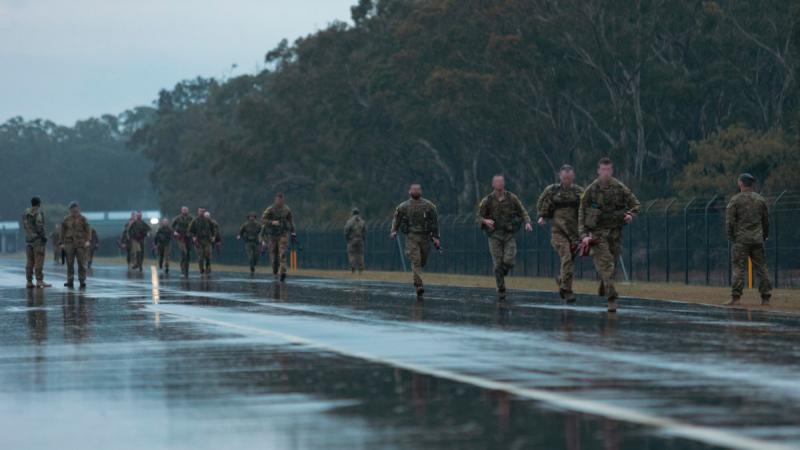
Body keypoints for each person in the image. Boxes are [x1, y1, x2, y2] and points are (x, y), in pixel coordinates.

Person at [578, 157, 641, 313]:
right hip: (598, 234)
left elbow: (635, 204)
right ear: (598, 171)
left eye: (608, 170)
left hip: (615, 233)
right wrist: (583, 235)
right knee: (607, 264)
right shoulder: (591, 190)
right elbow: (581, 213)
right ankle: (612, 299)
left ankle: (604, 283)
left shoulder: (619, 187)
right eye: (603, 170)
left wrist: (630, 214)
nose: (606, 173)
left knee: (612, 267)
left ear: (612, 171)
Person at [477, 175, 533, 299]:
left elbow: (522, 211)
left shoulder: (512, 198)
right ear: (493, 184)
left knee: (509, 260)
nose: (499, 184)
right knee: (497, 264)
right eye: (497, 182)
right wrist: (485, 221)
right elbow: (478, 216)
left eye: (501, 181)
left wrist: (528, 222)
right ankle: (501, 288)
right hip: (494, 235)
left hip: (509, 234)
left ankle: (502, 272)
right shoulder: (487, 200)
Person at [537, 165, 584, 302]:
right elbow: (541, 203)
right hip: (558, 231)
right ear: (560, 177)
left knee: (569, 262)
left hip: (574, 233)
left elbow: (587, 208)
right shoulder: (552, 190)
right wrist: (543, 216)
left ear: (573, 177)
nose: (567, 180)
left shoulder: (579, 192)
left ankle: (562, 280)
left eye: (569, 178)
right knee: (566, 256)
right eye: (564, 178)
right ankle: (566, 290)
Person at [723, 173, 772, 306]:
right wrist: (764, 235)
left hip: (741, 240)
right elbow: (766, 221)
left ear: (740, 183)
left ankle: (736, 298)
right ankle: (766, 298)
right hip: (757, 239)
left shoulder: (735, 200)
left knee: (738, 268)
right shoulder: (760, 200)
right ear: (752, 184)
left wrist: (731, 236)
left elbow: (730, 221)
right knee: (761, 268)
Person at [390, 183, 440, 299]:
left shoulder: (428, 206)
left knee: (423, 260)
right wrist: (393, 231)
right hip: (412, 237)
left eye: (418, 190)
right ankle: (419, 285)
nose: (416, 191)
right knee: (416, 260)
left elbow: (435, 222)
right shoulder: (403, 206)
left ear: (421, 192)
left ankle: (417, 277)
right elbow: (396, 219)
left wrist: (436, 237)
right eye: (414, 190)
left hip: (425, 237)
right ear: (409, 192)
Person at [260, 193, 296, 282]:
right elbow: (262, 220)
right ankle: (275, 270)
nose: (280, 202)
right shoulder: (270, 209)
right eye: (278, 200)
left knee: (282, 253)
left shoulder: (287, 209)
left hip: (283, 234)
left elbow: (291, 221)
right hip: (272, 236)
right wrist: (272, 222)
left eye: (281, 200)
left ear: (283, 200)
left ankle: (283, 272)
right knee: (274, 257)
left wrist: (293, 232)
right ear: (275, 200)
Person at [60, 201, 92, 288]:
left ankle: (82, 280)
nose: (74, 210)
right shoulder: (66, 219)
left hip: (80, 244)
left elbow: (88, 230)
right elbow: (62, 232)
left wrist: (88, 240)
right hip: (69, 243)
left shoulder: (83, 219)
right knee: (69, 263)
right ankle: (70, 281)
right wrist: (61, 243)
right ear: (70, 210)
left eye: (75, 208)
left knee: (81, 263)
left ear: (78, 209)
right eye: (72, 208)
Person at [22, 196, 52, 288]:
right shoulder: (38, 213)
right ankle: (39, 280)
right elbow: (39, 227)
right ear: (39, 204)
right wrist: (43, 236)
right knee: (39, 261)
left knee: (29, 262)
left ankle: (29, 281)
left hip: (29, 240)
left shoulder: (26, 213)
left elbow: (25, 226)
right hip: (37, 241)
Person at [189, 210, 216, 275]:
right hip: (199, 241)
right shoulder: (195, 221)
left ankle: (207, 268)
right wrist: (193, 236)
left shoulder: (209, 221)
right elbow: (190, 230)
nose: (201, 213)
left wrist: (213, 236)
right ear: (198, 212)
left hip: (207, 241)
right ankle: (201, 270)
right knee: (201, 256)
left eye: (203, 212)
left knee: (208, 255)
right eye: (200, 211)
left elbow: (213, 229)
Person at [171, 206, 194, 277]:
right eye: (183, 210)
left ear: (188, 211)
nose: (185, 211)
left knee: (188, 254)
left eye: (186, 210)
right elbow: (172, 226)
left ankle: (186, 269)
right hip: (180, 238)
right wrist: (175, 232)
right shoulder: (177, 218)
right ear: (181, 210)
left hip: (188, 238)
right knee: (184, 252)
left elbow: (195, 227)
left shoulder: (191, 218)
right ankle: (183, 270)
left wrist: (194, 235)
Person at [344, 208, 366, 273]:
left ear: (352, 213)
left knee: (351, 254)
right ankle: (361, 268)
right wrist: (363, 239)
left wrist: (347, 238)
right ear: (358, 213)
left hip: (352, 239)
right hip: (360, 239)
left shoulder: (349, 222)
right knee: (360, 254)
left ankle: (353, 267)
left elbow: (346, 230)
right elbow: (364, 231)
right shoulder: (362, 222)